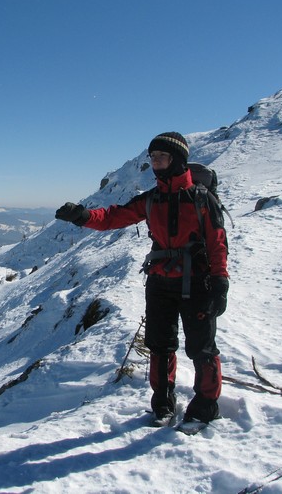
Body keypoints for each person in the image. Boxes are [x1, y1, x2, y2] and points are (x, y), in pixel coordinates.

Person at [55, 132, 229, 425]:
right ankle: (162, 401)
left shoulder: (201, 200)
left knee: (202, 347)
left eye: (162, 157)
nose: (156, 163)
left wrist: (220, 282)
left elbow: (217, 243)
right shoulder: (152, 198)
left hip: (197, 282)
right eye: (153, 158)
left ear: (178, 160)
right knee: (160, 345)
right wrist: (82, 216)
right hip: (160, 282)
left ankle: (206, 404)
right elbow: (114, 216)